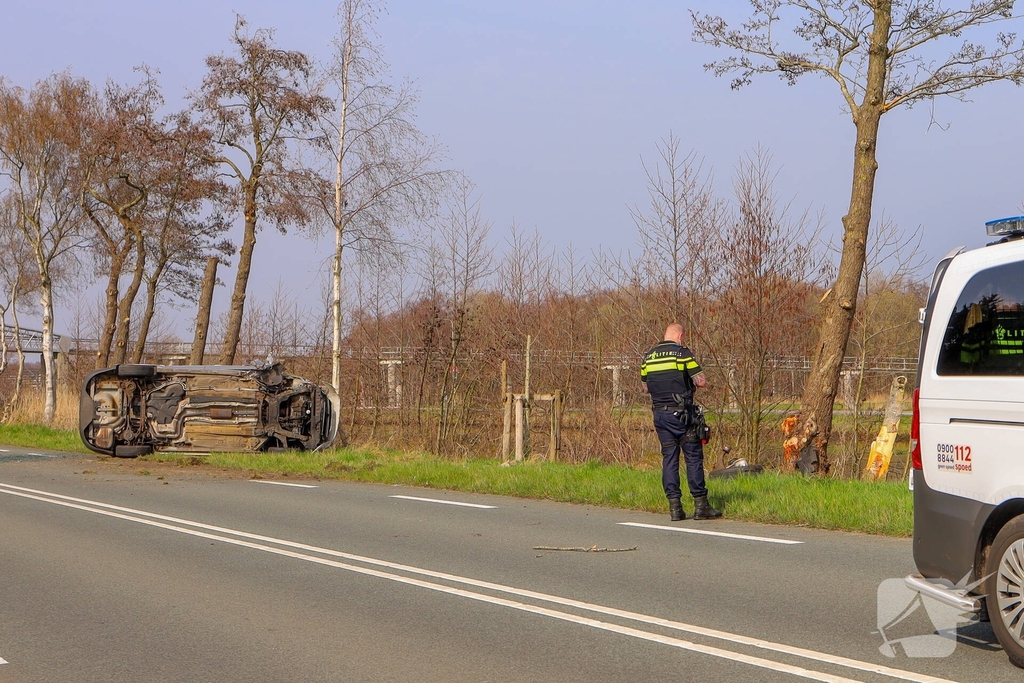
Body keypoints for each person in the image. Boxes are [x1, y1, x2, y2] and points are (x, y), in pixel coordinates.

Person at [640, 323, 722, 521]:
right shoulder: (681, 353)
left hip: (660, 414)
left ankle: (675, 508)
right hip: (683, 415)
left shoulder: (649, 356)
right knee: (693, 457)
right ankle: (701, 506)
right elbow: (701, 381)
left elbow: (645, 388)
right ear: (680, 335)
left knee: (669, 458)